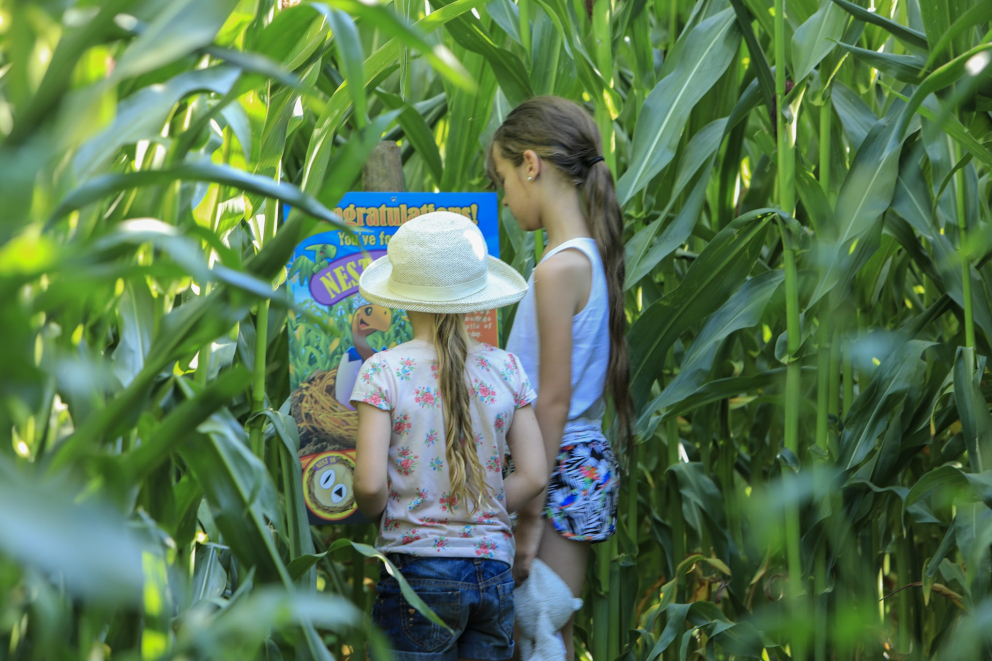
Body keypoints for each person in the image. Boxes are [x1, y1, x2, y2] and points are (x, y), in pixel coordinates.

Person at [351, 211, 548, 661]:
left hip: (416, 573)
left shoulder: (384, 371)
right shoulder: (507, 368)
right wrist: (482, 506)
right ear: (475, 297)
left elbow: (369, 485)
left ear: (403, 298)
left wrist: (388, 513)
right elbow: (535, 474)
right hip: (493, 571)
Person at [485, 96, 634, 660]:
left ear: (530, 165)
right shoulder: (587, 257)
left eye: (502, 179)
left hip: (553, 464)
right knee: (550, 634)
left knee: (536, 630)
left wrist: (528, 513)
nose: (504, 197)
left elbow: (550, 401)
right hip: (579, 461)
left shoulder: (557, 270)